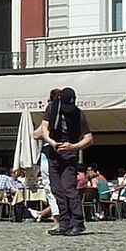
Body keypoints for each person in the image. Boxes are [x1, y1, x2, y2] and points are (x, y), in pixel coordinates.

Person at [36, 86, 92, 236]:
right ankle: (64, 223)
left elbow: (89, 138)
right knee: (57, 189)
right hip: (53, 152)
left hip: (69, 154)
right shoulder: (51, 109)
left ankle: (78, 222)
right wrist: (52, 142)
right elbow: (44, 130)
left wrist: (73, 146)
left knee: (69, 188)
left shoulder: (79, 114)